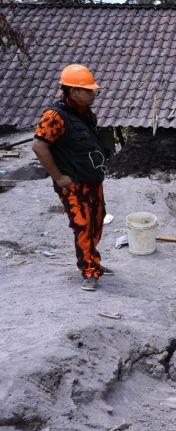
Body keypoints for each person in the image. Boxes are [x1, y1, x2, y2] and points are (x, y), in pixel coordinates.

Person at [32, 64, 110, 292]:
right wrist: (58, 177)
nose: (93, 93)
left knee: (97, 221)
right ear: (73, 90)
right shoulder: (54, 116)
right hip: (73, 183)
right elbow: (39, 146)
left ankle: (92, 260)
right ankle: (89, 272)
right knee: (83, 225)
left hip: (92, 180)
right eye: (88, 90)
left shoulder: (85, 113)